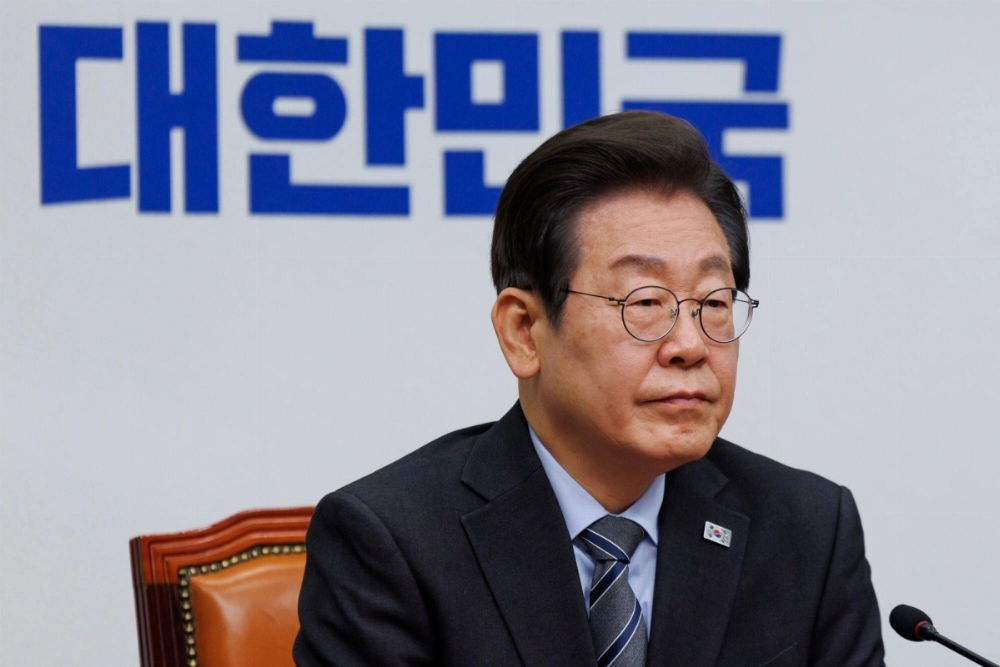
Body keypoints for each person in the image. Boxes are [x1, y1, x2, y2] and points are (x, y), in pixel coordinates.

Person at [293, 111, 884, 667]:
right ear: (524, 331)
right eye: (645, 303)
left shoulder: (808, 533)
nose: (691, 345)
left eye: (713, 303)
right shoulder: (393, 542)